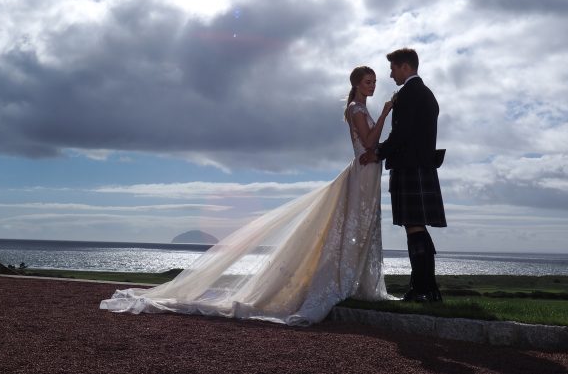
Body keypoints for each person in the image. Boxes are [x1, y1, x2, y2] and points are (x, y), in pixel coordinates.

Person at [100, 66, 394, 325]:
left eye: (374, 81)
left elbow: (371, 144)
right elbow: (369, 142)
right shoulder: (357, 109)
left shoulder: (360, 109)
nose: (373, 85)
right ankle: (339, 282)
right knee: (353, 226)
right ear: (356, 84)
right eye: (368, 81)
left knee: (362, 228)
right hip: (362, 172)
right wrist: (385, 113)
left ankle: (357, 283)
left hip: (368, 172)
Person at [360, 48, 446, 303]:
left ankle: (422, 289)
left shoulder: (410, 94)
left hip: (410, 167)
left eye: (393, 68)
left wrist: (379, 153)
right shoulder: (426, 93)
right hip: (421, 167)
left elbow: (402, 134)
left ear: (406, 67)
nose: (390, 74)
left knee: (414, 226)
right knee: (417, 226)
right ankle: (427, 288)